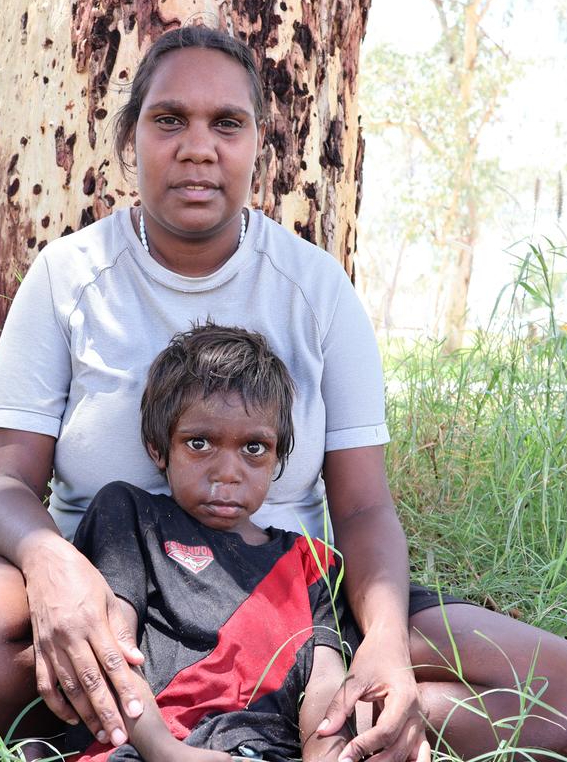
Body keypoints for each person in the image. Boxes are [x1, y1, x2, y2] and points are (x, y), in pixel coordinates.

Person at [0, 25, 567, 760]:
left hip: (299, 600)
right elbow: (8, 483)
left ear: (260, 144)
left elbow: (361, 507)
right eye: (169, 120)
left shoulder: (315, 289)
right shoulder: (70, 277)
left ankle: (359, 714)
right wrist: (54, 571)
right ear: (130, 142)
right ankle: (136, 693)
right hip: (117, 602)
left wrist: (382, 642)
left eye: (227, 124)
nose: (197, 149)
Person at [65, 323, 356, 762]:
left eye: (255, 448)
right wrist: (167, 752)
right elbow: (112, 645)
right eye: (199, 443)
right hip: (145, 746)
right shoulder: (129, 514)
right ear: (158, 449)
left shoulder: (312, 564)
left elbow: (327, 685)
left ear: (279, 455)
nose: (228, 472)